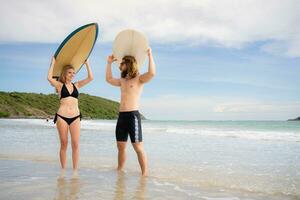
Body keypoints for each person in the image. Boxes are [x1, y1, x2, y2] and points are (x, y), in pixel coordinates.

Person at [106, 48, 155, 176]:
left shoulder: (139, 79)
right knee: (120, 147)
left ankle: (144, 173)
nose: (120, 65)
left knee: (138, 147)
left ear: (128, 64)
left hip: (133, 116)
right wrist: (109, 63)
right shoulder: (122, 81)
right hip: (121, 116)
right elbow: (109, 79)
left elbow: (152, 73)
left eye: (122, 63)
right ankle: (120, 170)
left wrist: (150, 55)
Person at [47, 57, 93, 175]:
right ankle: (63, 170)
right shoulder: (59, 86)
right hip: (62, 116)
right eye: (70, 72)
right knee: (64, 143)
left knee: (76, 144)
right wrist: (53, 63)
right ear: (64, 73)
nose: (72, 75)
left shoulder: (76, 85)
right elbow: (49, 77)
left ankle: (75, 171)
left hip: (76, 117)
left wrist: (87, 64)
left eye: (74, 73)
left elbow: (90, 78)